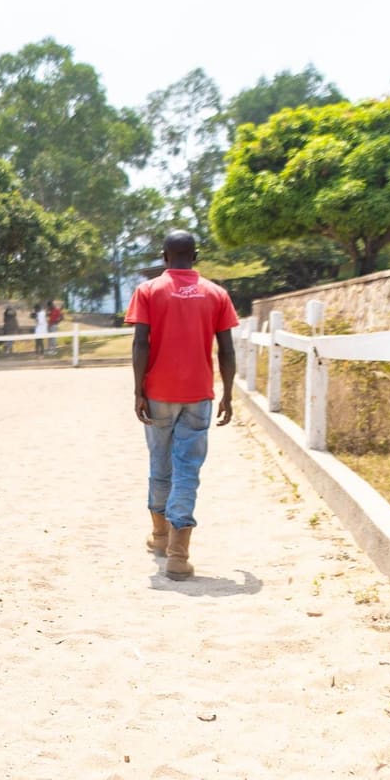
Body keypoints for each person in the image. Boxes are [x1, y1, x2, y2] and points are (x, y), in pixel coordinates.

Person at [127, 229, 238, 580]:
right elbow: (228, 350)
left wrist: (138, 390)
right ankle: (178, 552)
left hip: (158, 392)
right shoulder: (217, 294)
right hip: (198, 395)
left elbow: (140, 343)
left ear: (164, 256)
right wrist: (229, 393)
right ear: (196, 256)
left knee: (160, 463)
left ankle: (160, 536)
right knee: (187, 470)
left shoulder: (148, 290)